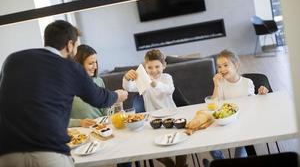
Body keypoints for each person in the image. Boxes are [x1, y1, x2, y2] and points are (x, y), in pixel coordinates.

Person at [0, 20, 128, 167]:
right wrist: (118, 95)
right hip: (48, 151)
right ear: (69, 45)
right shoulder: (70, 68)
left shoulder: (12, 60)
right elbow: (99, 98)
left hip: (7, 153)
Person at [203, 49, 269, 167]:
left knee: (240, 151)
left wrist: (261, 93)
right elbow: (214, 104)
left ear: (236, 65)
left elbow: (253, 102)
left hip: (244, 125)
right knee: (210, 144)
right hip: (226, 123)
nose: (222, 69)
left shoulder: (247, 82)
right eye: (219, 66)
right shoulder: (221, 84)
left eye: (225, 65)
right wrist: (216, 85)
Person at [122, 49, 187, 167]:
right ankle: (170, 164)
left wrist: (155, 84)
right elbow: (129, 87)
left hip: (171, 115)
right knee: (151, 146)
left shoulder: (167, 77)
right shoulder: (143, 80)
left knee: (181, 144)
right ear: (145, 67)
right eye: (150, 67)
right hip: (153, 119)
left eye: (157, 66)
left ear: (164, 65)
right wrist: (126, 78)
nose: (153, 71)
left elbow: (169, 90)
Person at [69, 44, 107, 128]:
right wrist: (80, 122)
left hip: (101, 127)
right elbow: (59, 119)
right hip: (81, 132)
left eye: (95, 62)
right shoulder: (67, 85)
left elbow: (105, 109)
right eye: (91, 63)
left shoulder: (99, 81)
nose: (95, 67)